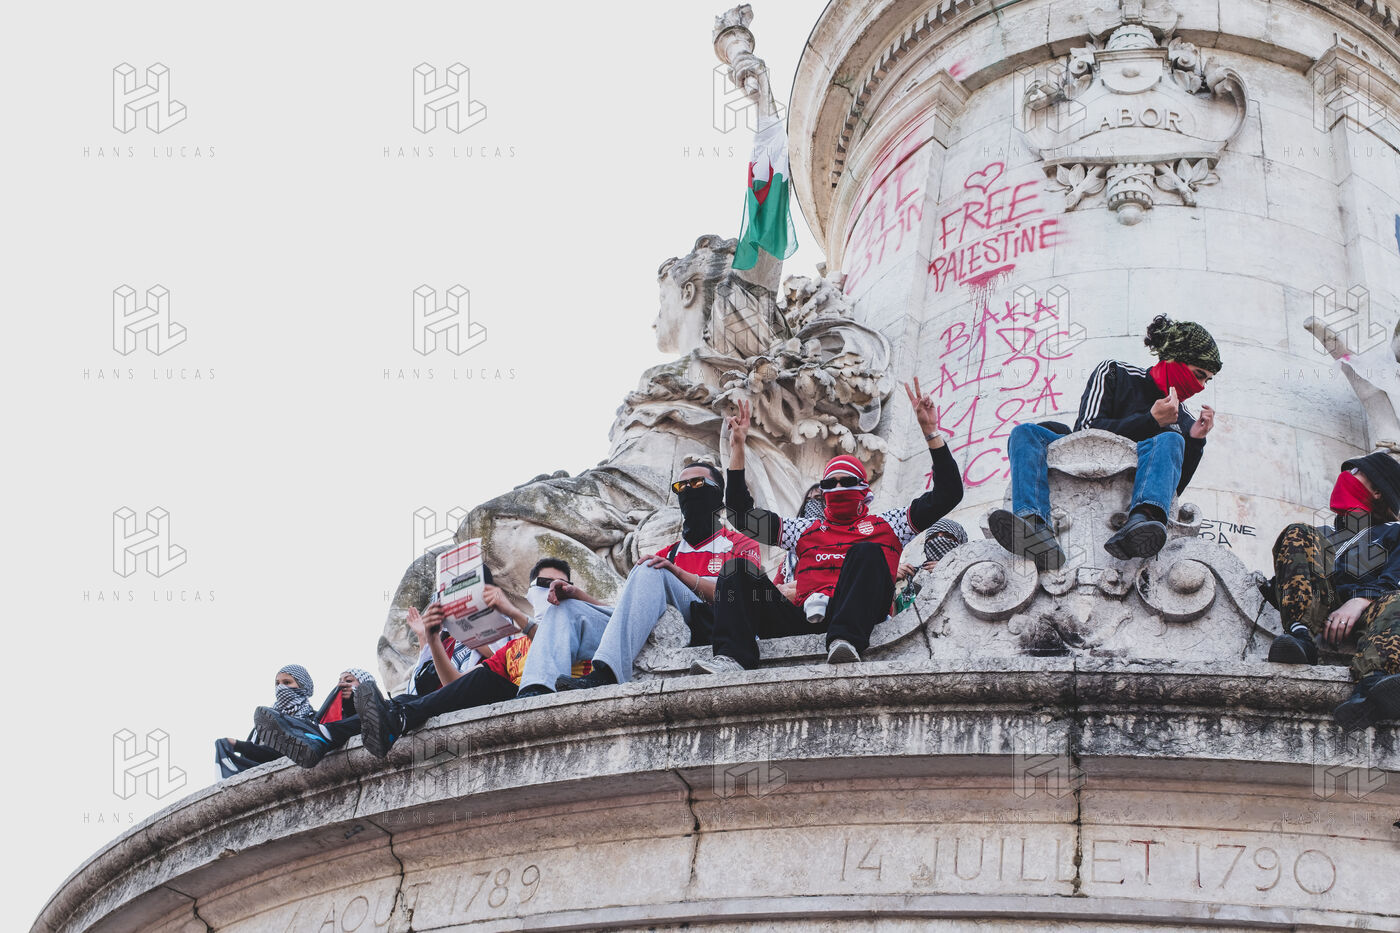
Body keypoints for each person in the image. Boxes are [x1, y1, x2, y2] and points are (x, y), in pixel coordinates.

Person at [711, 383, 964, 670]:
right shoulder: (804, 530)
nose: (839, 488)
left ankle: (845, 641)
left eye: (847, 482)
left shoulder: (890, 524)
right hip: (804, 616)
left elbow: (948, 494)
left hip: (858, 621)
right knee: (736, 569)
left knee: (867, 551)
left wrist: (931, 432)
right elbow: (741, 517)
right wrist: (738, 448)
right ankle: (731, 657)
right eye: (830, 484)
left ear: (864, 490)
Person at [990, 315, 1220, 568]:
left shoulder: (1184, 420)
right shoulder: (1115, 373)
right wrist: (1151, 420)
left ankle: (1142, 522)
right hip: (1078, 461)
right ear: (1174, 358)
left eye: (1206, 380)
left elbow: (1172, 490)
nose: (1200, 386)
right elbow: (1086, 432)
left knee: (1171, 440)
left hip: (1133, 490)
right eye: (1198, 374)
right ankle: (1032, 523)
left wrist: (1195, 441)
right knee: (1025, 433)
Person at [531, 459, 763, 694]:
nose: (688, 490)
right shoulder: (668, 555)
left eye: (696, 483)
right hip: (665, 622)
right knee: (565, 608)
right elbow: (631, 614)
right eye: (681, 486)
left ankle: (607, 672)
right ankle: (536, 689)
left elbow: (739, 597)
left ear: (718, 494)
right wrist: (579, 595)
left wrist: (678, 572)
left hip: (712, 623)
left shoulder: (741, 545)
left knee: (651, 567)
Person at [353, 559, 581, 756]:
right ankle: (344, 731)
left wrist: (506, 615)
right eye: (544, 583)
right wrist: (431, 638)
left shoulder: (577, 627)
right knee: (403, 701)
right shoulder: (513, 647)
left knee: (482, 679)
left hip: (536, 698)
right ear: (531, 592)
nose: (554, 588)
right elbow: (456, 683)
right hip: (501, 697)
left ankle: (397, 719)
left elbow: (551, 643)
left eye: (562, 584)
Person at [1261, 452, 1400, 729]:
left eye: (1356, 473)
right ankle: (1300, 636)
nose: (1346, 477)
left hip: (1375, 610)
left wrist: (1362, 599)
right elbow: (1296, 574)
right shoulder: (1320, 534)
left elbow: (1395, 577)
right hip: (1322, 605)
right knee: (1298, 530)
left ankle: (1374, 685)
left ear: (1377, 492)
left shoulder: (1393, 532)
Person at [251, 667, 378, 767]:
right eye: (277, 683)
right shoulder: (264, 721)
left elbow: (356, 719)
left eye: (349, 681)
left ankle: (322, 734)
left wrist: (351, 700)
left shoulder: (313, 718)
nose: (281, 687)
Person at [215, 664, 314, 778]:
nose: (280, 688)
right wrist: (235, 746)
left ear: (303, 686)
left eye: (287, 682)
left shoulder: (312, 721)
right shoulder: (263, 724)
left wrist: (239, 745)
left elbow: (287, 752)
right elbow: (251, 760)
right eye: (277, 683)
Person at [894, 519, 968, 614]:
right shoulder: (908, 583)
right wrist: (889, 580)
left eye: (948, 536)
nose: (939, 539)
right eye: (933, 537)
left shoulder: (970, 575)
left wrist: (950, 572)